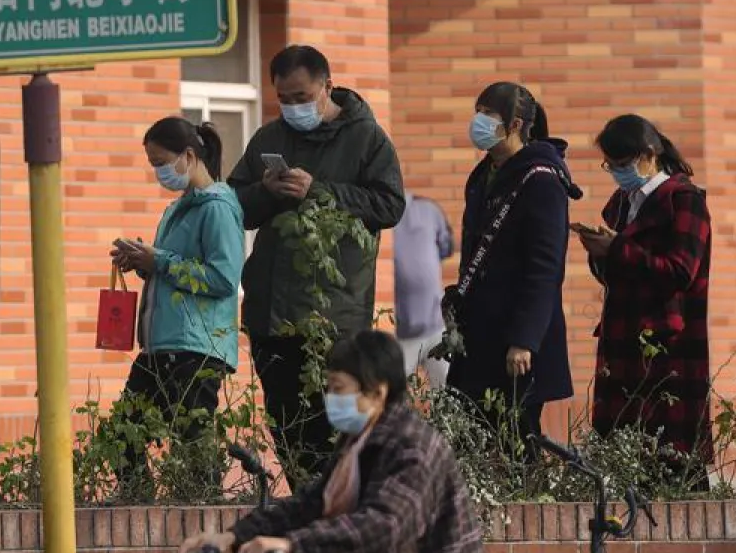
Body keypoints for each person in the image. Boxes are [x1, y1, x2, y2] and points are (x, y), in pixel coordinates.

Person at [177, 331, 503, 553]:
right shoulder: (361, 441)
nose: (331, 399)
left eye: (339, 389)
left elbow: (385, 525)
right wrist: (235, 537)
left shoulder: (412, 447)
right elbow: (313, 503)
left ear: (377, 392)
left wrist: (292, 546)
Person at [228, 45, 405, 485]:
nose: (293, 108)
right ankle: (306, 501)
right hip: (272, 307)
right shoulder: (269, 138)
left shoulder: (367, 138)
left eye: (301, 97)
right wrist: (266, 190)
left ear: (328, 86)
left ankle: (339, 504)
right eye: (283, 99)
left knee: (332, 420)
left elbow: (390, 205)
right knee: (285, 421)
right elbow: (235, 206)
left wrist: (321, 191)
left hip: (334, 312)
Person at [108, 117, 245, 492]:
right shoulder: (178, 208)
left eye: (160, 163)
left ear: (188, 155)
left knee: (192, 442)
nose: (159, 173)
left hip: (196, 348)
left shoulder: (216, 207)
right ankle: (139, 505)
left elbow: (222, 278)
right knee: (122, 434)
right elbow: (171, 271)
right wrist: (143, 263)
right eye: (153, 165)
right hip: (160, 345)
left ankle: (203, 513)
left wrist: (161, 262)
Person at [577, 115, 712, 469]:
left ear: (648, 155)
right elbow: (616, 276)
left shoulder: (683, 200)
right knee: (618, 467)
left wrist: (617, 248)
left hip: (667, 350)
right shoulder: (622, 203)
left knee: (668, 463)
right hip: (621, 343)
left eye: (622, 164)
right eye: (610, 165)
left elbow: (681, 272)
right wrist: (599, 253)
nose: (618, 173)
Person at [447, 82, 579, 444]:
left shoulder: (541, 180)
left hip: (516, 338)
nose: (479, 121)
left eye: (489, 114)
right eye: (479, 111)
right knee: (471, 437)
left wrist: (525, 338)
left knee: (515, 439)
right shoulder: (484, 174)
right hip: (479, 329)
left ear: (516, 123)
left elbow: (545, 268)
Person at [392, 191, 455, 389]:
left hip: (435, 328)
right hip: (399, 336)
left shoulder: (429, 209)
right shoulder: (382, 214)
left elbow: (447, 247)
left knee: (448, 395)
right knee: (393, 401)